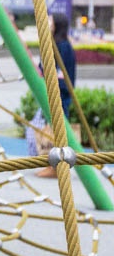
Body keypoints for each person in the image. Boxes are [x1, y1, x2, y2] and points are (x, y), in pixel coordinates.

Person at [36, 11, 77, 177]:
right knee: (52, 125)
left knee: (58, 126)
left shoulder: (63, 46)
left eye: (51, 21)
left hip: (60, 91)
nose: (48, 23)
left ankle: (57, 166)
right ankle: (52, 164)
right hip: (55, 89)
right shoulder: (55, 44)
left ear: (57, 25)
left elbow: (60, 71)